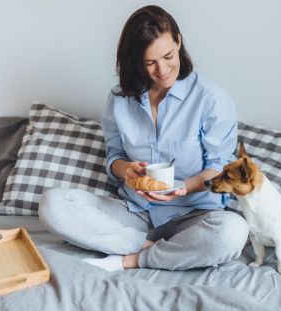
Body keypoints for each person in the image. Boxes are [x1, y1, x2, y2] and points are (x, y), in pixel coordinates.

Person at [39, 5, 249, 271]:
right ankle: (146, 245)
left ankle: (134, 258)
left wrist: (184, 187)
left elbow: (219, 169)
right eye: (150, 62)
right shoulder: (119, 100)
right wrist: (126, 170)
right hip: (136, 212)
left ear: (178, 41)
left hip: (197, 215)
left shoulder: (212, 100)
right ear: (135, 61)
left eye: (168, 56)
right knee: (53, 204)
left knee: (232, 233)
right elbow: (114, 157)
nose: (163, 70)